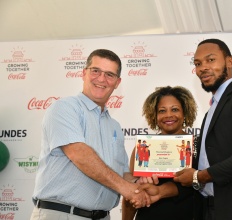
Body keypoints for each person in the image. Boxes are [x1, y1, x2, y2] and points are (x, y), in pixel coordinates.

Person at [137, 39, 232, 220]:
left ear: (230, 62)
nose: (203, 68)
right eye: (198, 63)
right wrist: (161, 188)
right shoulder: (212, 110)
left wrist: (199, 177)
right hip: (209, 208)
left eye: (211, 60)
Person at [30, 49, 149, 220]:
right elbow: (79, 154)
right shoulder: (65, 108)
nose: (101, 79)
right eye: (96, 71)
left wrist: (140, 184)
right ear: (84, 73)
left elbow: (123, 173)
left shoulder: (114, 126)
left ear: (117, 82)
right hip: (62, 214)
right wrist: (126, 189)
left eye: (109, 74)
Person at [122, 86, 198, 220]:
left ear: (185, 112)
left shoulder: (197, 146)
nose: (168, 115)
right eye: (162, 111)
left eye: (175, 109)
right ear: (155, 115)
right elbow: (132, 193)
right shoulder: (143, 147)